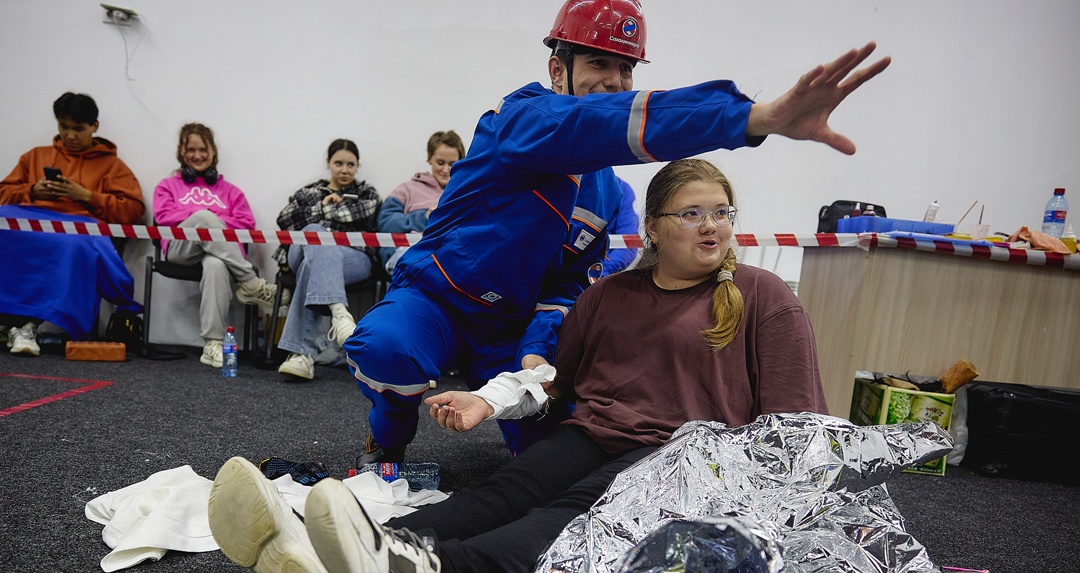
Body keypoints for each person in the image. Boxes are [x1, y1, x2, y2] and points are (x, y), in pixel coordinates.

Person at [208, 158, 829, 573]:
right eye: (692, 213)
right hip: (597, 431)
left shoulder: (761, 294)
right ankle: (346, 571)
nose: (712, 225)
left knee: (566, 517)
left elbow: (797, 426)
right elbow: (556, 383)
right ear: (652, 229)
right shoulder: (608, 297)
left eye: (722, 211)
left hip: (688, 459)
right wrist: (488, 401)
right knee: (507, 492)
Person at [344, 0, 889, 467]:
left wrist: (535, 352)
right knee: (390, 351)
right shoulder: (516, 120)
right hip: (436, 300)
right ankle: (387, 438)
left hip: (509, 328)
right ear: (558, 69)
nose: (615, 81)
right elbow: (594, 123)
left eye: (626, 69)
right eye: (599, 63)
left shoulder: (606, 195)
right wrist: (751, 118)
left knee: (556, 447)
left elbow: (568, 283)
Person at [0, 92, 144, 355]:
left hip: (77, 228)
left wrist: (86, 196)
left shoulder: (112, 166)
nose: (70, 136)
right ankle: (15, 323)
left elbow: (132, 212)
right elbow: (3, 193)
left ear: (94, 127)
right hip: (30, 221)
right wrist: (32, 191)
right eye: (64, 128)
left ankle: (23, 325)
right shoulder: (34, 156)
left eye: (78, 129)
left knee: (72, 244)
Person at [152, 123, 280, 369]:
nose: (197, 155)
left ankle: (212, 343)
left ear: (213, 152)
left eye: (203, 149)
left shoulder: (231, 192)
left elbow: (246, 225)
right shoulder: (167, 187)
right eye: (191, 149)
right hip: (181, 249)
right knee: (202, 217)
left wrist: (212, 221)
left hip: (221, 253)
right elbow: (164, 217)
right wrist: (205, 215)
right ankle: (250, 283)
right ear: (181, 151)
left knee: (215, 263)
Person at [273, 138, 381, 381]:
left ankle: (301, 356)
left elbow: (363, 211)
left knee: (317, 257)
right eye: (339, 163)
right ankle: (340, 313)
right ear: (328, 163)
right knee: (315, 231)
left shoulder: (367, 193)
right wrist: (320, 208)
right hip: (299, 252)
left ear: (357, 166)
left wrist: (322, 217)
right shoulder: (309, 192)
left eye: (350, 164)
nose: (344, 170)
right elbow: (285, 220)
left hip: (353, 258)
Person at [375, 130, 466, 274]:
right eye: (440, 162)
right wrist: (424, 217)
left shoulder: (464, 195)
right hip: (408, 253)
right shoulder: (407, 189)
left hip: (449, 256)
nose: (445, 169)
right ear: (429, 158)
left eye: (452, 164)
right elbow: (385, 223)